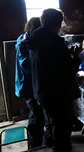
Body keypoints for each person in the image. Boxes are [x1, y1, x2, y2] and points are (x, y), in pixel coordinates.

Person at [27, 9, 82, 152]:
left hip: (40, 90)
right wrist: (76, 57)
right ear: (60, 23)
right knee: (62, 128)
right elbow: (68, 72)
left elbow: (49, 63)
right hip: (56, 94)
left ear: (43, 21)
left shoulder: (34, 38)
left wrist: (66, 54)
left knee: (51, 125)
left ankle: (48, 147)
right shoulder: (55, 42)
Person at [15, 17, 52, 148]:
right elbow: (27, 65)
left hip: (34, 84)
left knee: (37, 113)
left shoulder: (29, 39)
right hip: (28, 85)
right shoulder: (24, 43)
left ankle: (38, 143)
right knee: (37, 116)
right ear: (34, 29)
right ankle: (35, 145)